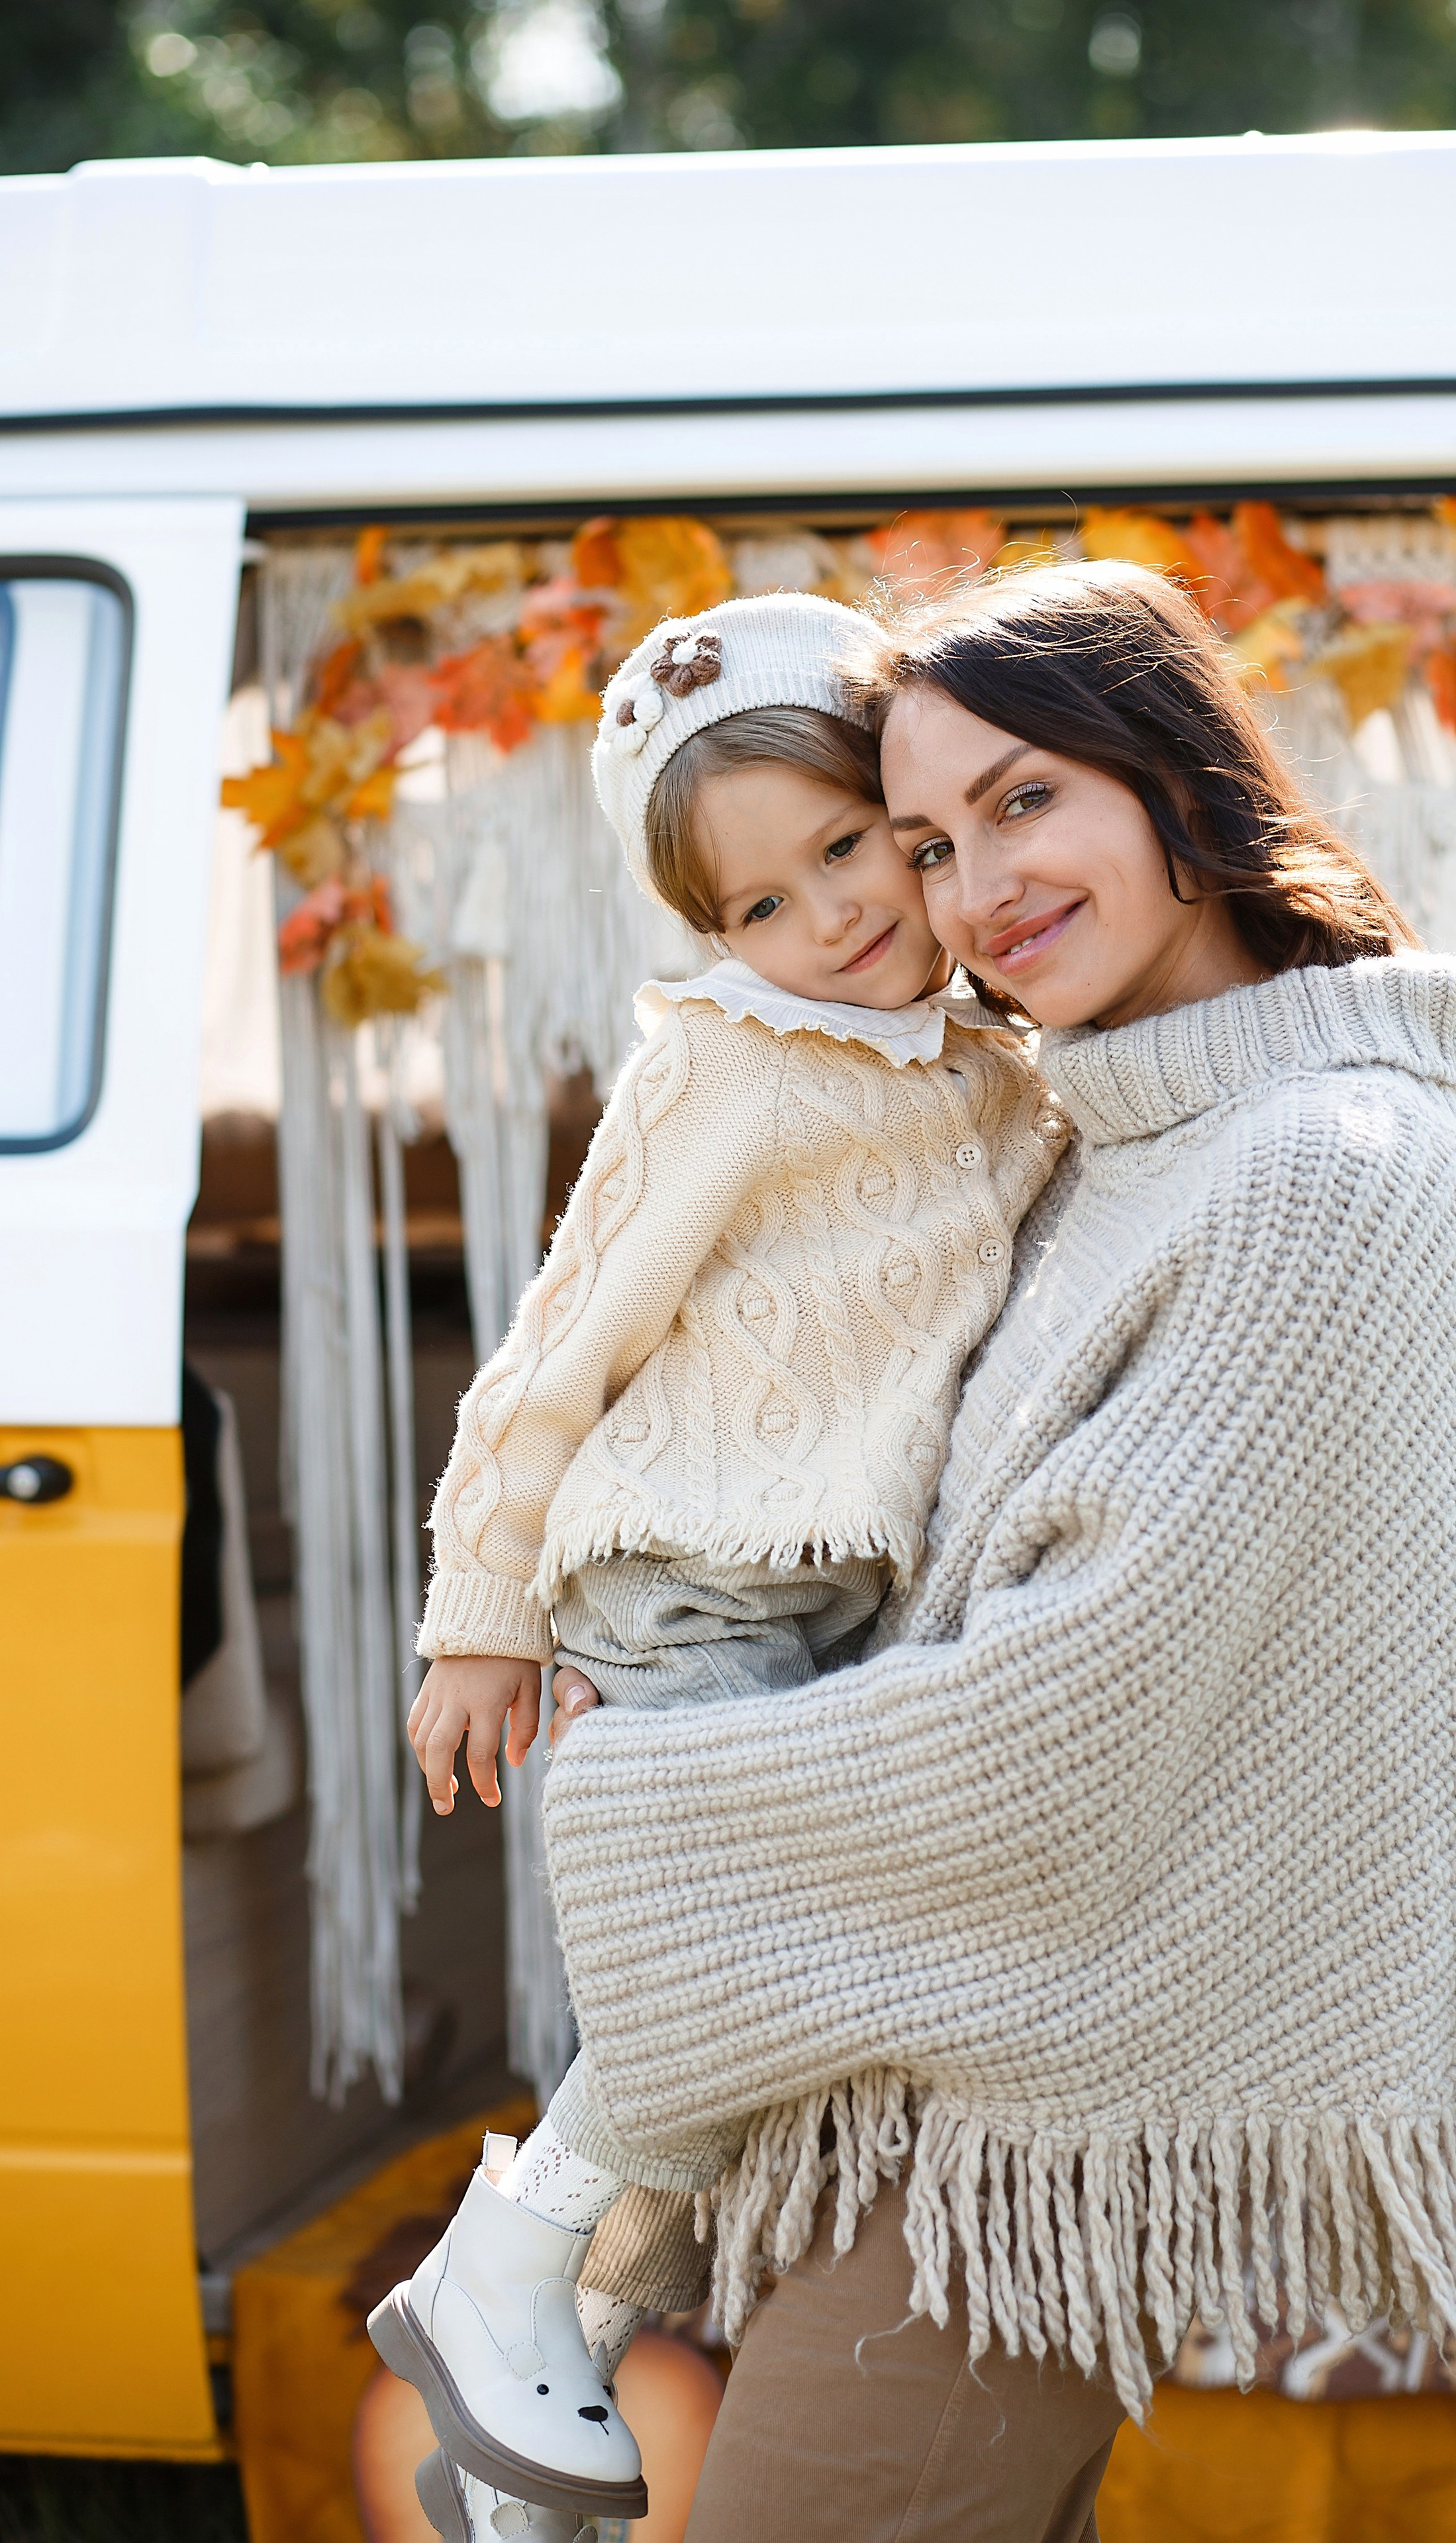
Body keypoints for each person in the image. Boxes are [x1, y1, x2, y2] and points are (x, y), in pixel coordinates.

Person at [540, 562, 1456, 2543]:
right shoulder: (1093, 1152)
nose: (969, 886)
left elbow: (1072, 1724)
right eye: (918, 839)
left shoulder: (1330, 1172)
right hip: (941, 2076)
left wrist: (637, 1790)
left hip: (1040, 2117)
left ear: (1175, 786)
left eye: (1022, 802)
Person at [368, 592, 1063, 2538]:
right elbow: (560, 1346)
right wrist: (483, 1617)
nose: (829, 919)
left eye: (851, 850)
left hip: (827, 1614)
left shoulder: (992, 1072)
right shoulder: (728, 1065)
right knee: (727, 1993)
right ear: (716, 943)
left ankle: (519, 2414)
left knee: (741, 2059)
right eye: (762, 904)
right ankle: (500, 2272)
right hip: (676, 1590)